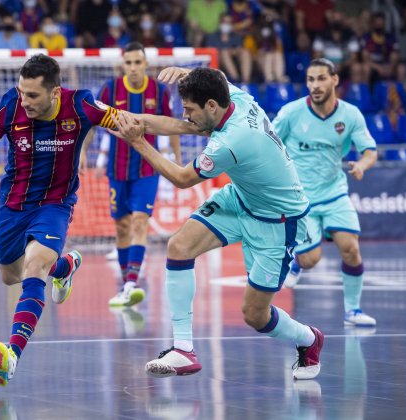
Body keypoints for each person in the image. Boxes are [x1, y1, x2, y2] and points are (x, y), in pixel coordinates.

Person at [110, 67, 324, 380]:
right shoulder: (233, 96)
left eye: (190, 109)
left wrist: (140, 143)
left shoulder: (232, 142)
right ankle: (183, 349)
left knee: (255, 315)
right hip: (242, 199)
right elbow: (211, 87)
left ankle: (309, 338)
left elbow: (183, 178)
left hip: (277, 223)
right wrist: (125, 117)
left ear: (211, 106)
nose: (186, 115)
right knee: (179, 246)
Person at [0, 54, 121, 386]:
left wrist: (189, 126)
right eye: (22, 92)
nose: (24, 100)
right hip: (14, 203)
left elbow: (129, 120)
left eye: (32, 95)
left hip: (55, 202)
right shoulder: (11, 105)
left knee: (34, 267)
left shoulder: (80, 104)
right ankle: (64, 267)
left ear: (54, 92)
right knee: (11, 275)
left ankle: (12, 355)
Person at [273, 58, 378, 328]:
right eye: (310, 79)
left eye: (321, 79)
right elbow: (269, 144)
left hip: (335, 193)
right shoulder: (291, 113)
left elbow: (370, 151)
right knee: (311, 260)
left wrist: (362, 165)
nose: (315, 85)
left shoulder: (351, 114)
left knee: (351, 249)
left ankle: (353, 311)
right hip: (300, 198)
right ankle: (297, 263)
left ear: (334, 80)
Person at [80, 42, 181, 307]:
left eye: (139, 62)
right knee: (122, 226)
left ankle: (132, 282)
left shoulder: (158, 91)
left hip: (148, 168)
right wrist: (82, 151)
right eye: (130, 63)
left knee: (139, 222)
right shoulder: (110, 89)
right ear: (123, 65)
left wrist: (178, 159)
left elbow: (171, 126)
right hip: (117, 169)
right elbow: (91, 122)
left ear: (146, 64)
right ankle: (126, 283)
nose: (134, 67)